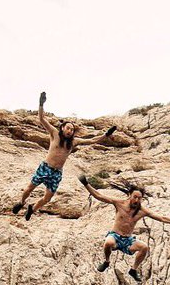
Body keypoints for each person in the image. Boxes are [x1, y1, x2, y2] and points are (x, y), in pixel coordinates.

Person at [12, 91, 116, 219]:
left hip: (57, 173)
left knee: (47, 199)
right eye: (68, 128)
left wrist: (106, 135)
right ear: (62, 128)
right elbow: (42, 119)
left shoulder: (74, 142)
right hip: (45, 167)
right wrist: (41, 104)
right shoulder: (55, 134)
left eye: (72, 130)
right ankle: (21, 203)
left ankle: (32, 209)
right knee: (29, 189)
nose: (70, 131)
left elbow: (93, 140)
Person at [80, 177, 170, 282]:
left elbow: (161, 218)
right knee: (108, 242)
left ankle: (133, 270)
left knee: (144, 247)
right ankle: (106, 261)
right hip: (115, 235)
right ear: (129, 195)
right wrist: (86, 184)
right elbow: (99, 196)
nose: (137, 200)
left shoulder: (142, 211)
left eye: (139, 198)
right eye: (135, 197)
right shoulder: (119, 203)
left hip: (128, 240)